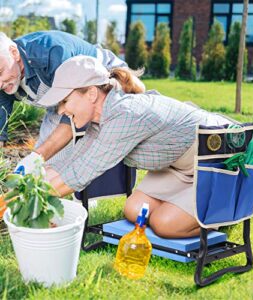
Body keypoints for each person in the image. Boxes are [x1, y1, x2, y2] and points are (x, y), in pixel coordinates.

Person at [35, 56, 233, 239]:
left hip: (215, 158)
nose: (61, 110)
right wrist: (28, 179)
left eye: (65, 101)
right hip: (179, 166)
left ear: (92, 94)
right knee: (134, 209)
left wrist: (28, 198)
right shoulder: (102, 119)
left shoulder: (125, 115)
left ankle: (221, 210)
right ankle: (188, 208)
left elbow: (79, 174)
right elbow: (72, 161)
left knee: (163, 224)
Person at [0, 30, 144, 170]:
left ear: (14, 53)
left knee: (54, 161)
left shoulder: (50, 54)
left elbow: (74, 114)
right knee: (44, 165)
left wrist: (36, 157)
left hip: (104, 80)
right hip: (63, 99)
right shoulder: (6, 80)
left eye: (0, 72)